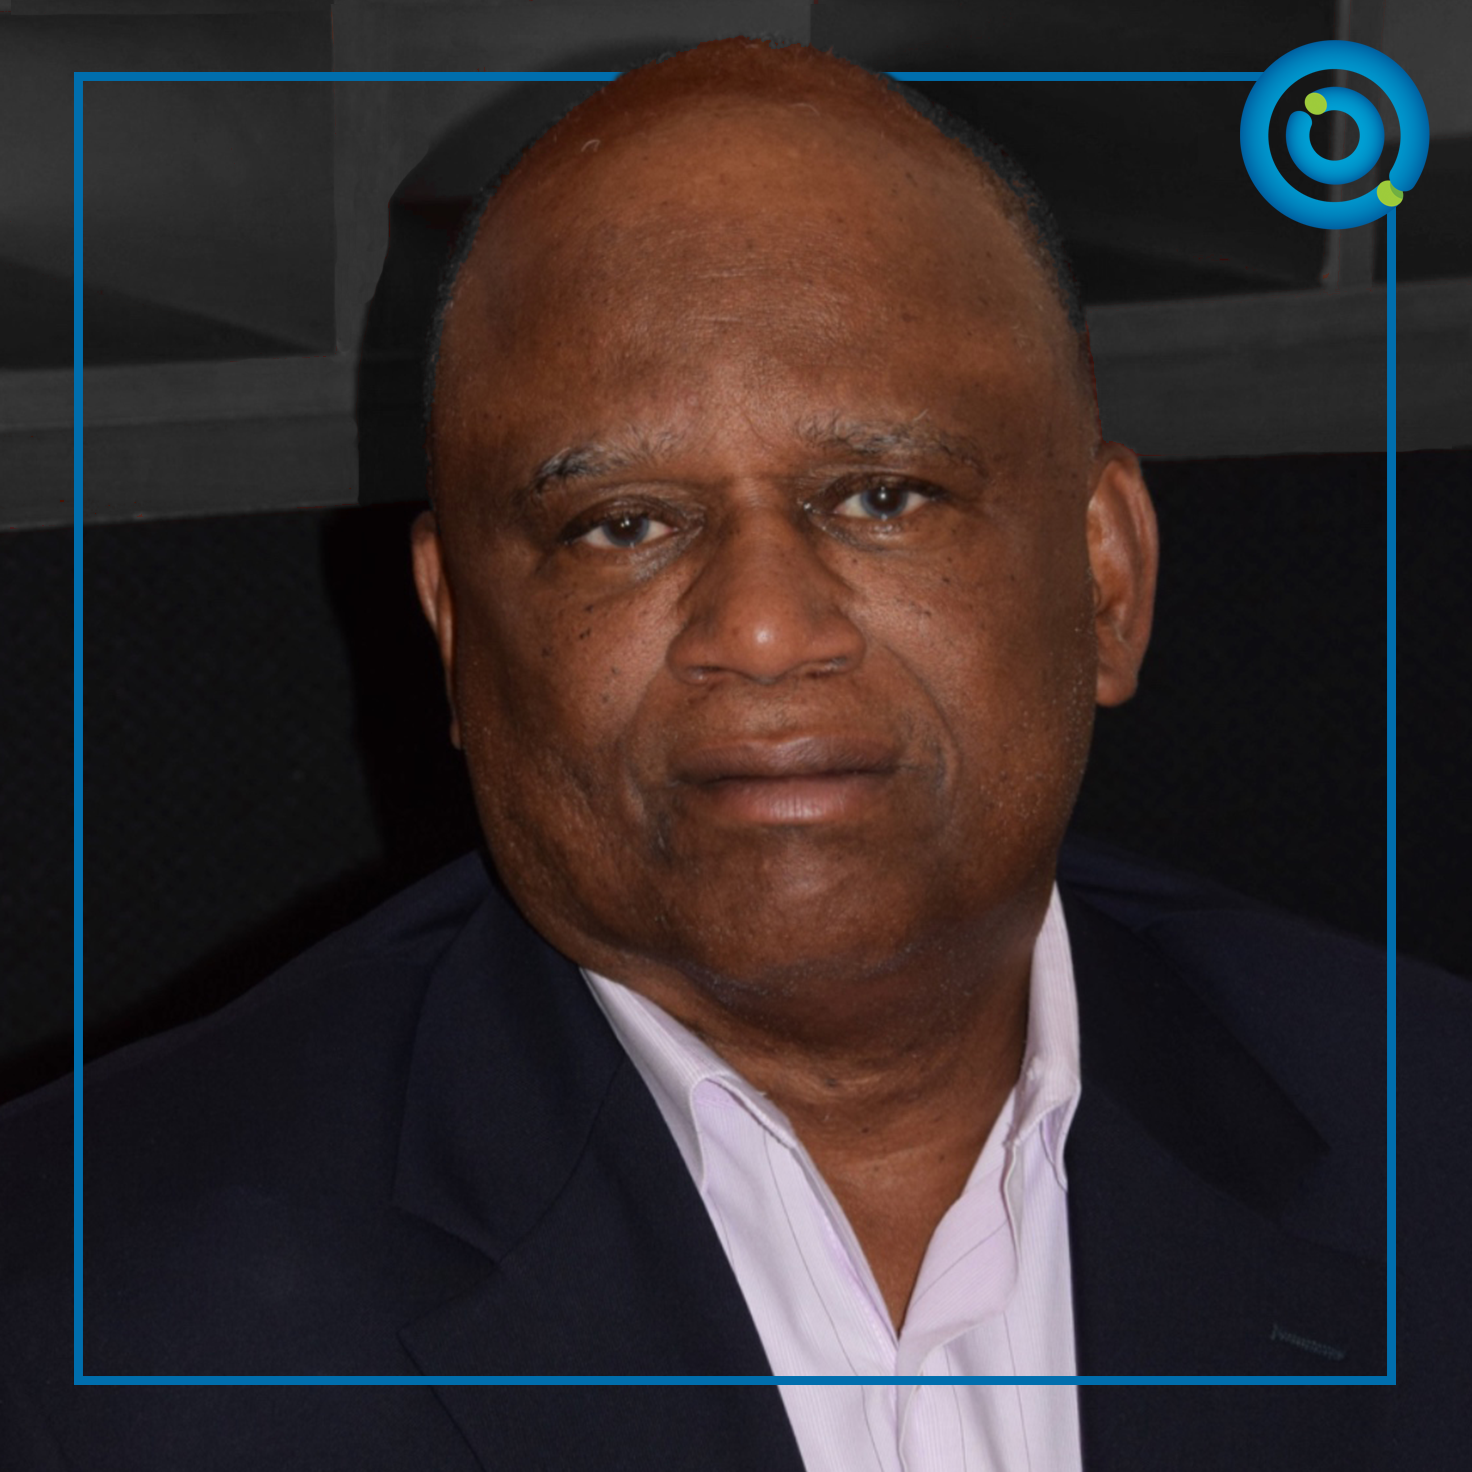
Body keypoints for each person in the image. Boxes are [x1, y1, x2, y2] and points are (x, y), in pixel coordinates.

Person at [1, 37, 1464, 1472]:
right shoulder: (81, 1319)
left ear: (1106, 577)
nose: (762, 631)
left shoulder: (1433, 1145)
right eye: (623, 524)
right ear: (453, 634)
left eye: (884, 496)